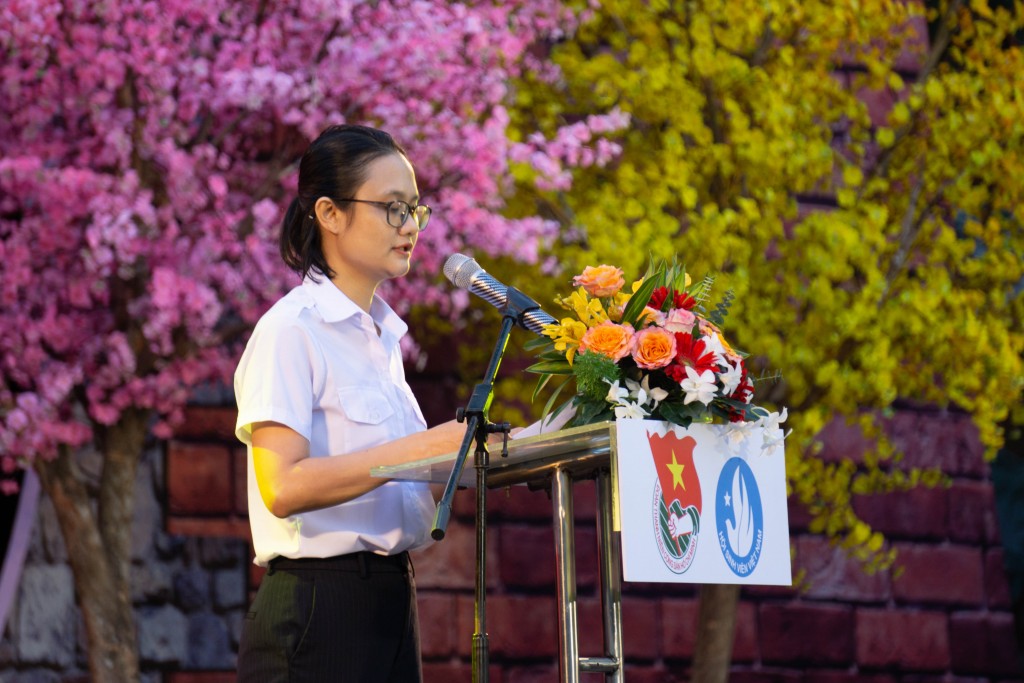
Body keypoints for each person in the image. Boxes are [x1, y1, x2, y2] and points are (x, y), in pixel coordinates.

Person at [233, 124, 468, 682]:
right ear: (330, 214)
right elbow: (283, 487)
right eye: (392, 208)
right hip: (320, 607)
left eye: (415, 210)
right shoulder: (292, 329)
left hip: (391, 599)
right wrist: (418, 447)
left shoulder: (381, 340)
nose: (410, 227)